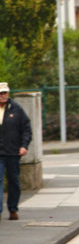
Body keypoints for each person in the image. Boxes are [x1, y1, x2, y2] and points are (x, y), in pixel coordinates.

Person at [0, 82, 32, 221]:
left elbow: (26, 129)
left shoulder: (16, 109)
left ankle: (13, 209)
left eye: (5, 93)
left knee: (14, 181)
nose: (3, 95)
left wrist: (24, 146)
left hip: (13, 152)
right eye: (1, 93)